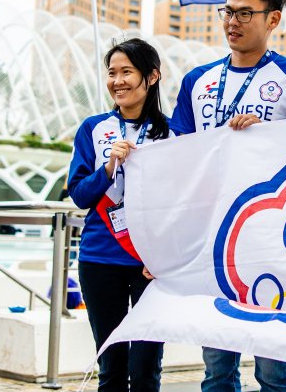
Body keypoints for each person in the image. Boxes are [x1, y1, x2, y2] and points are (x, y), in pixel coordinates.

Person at [170, 0, 286, 392]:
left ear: (273, 19)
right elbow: (176, 156)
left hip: (271, 237)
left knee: (274, 367)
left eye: (245, 13)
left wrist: (268, 137)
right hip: (213, 236)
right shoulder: (197, 80)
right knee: (217, 365)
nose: (233, 21)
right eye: (228, 11)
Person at [68, 37, 172, 391]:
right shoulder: (93, 128)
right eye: (112, 73)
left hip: (151, 264)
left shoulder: (173, 132)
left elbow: (183, 203)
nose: (117, 81)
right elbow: (79, 195)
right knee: (110, 367)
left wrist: (165, 255)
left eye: (127, 72)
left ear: (152, 76)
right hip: (99, 259)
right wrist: (109, 167)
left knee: (146, 369)